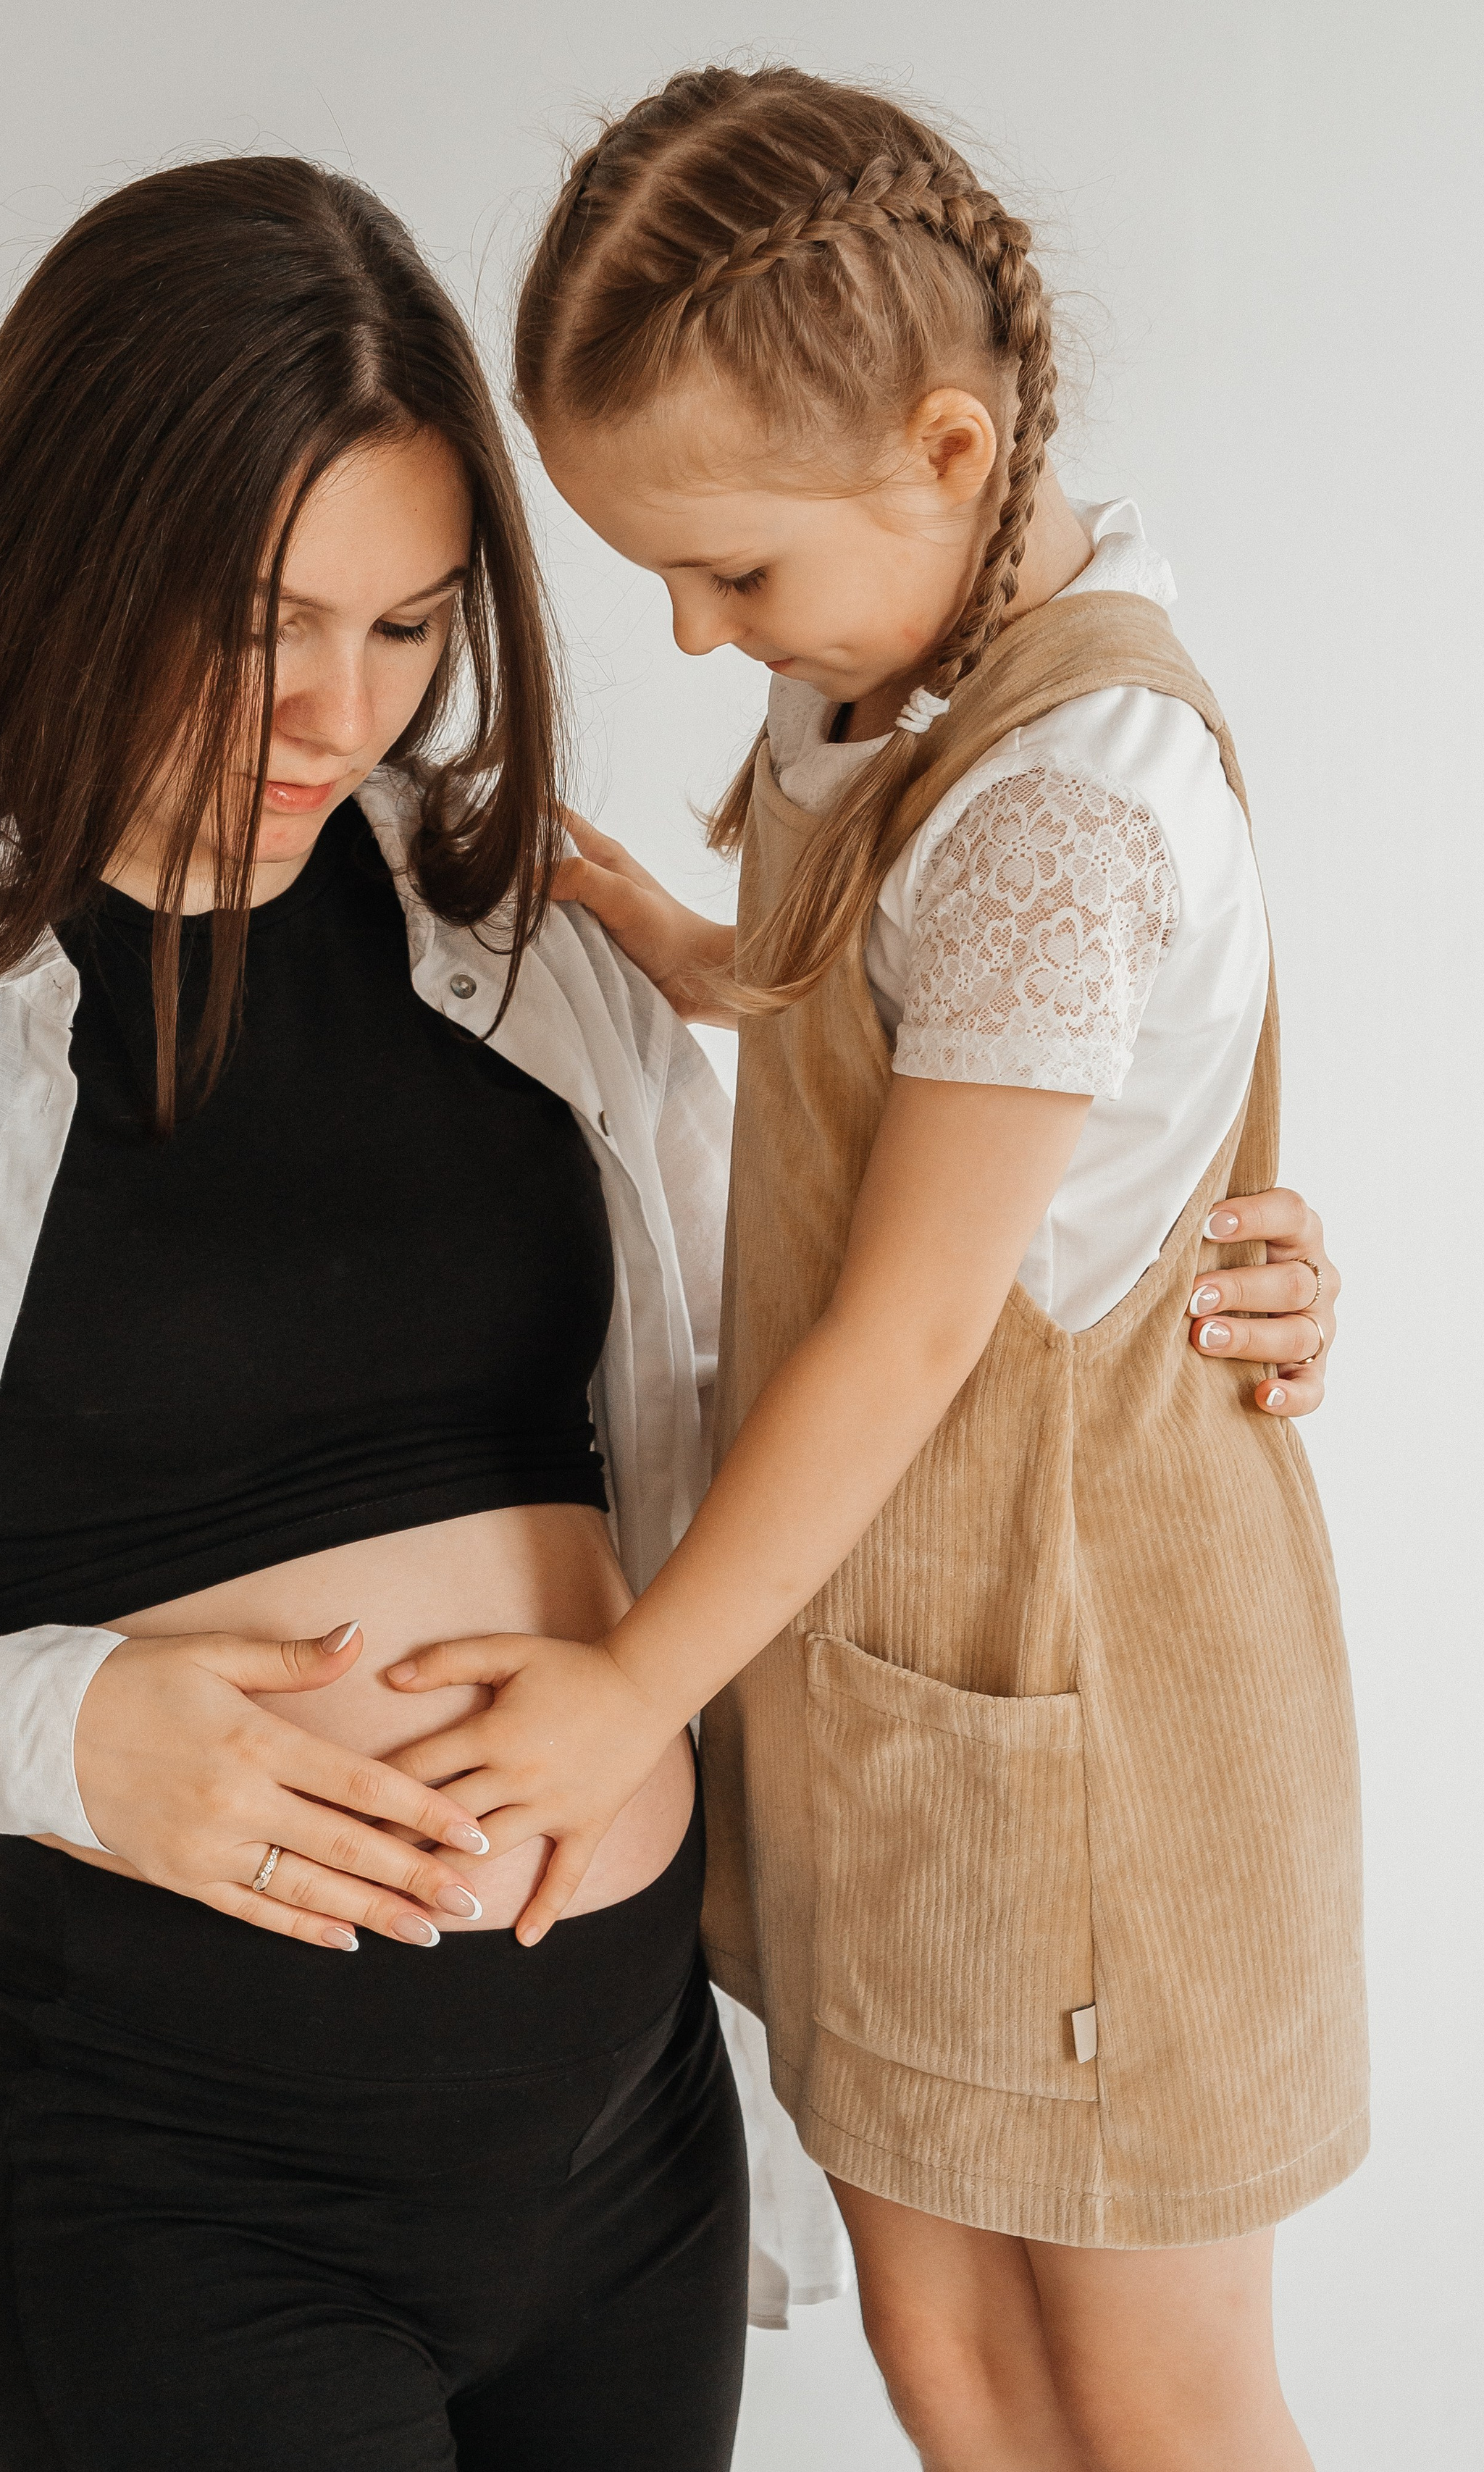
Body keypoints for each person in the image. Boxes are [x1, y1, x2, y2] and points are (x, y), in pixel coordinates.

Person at [0, 158, 768, 2472]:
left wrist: (1160, 1280)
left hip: (628, 2144)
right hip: (181, 2195)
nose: (330, 715)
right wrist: (65, 1738)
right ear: (66, 552)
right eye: (255, 620)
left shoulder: (520, 939)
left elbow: (779, 1405)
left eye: (406, 627)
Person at [384, 67, 1363, 2472]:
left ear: (947, 447)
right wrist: (680, 937)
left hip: (1087, 1710)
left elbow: (922, 1319)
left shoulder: (1059, 796)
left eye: (731, 571)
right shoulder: (900, 675)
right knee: (954, 2371)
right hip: (900, 1692)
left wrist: (630, 1695)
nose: (703, 637)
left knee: (1142, 2395)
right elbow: (870, 1004)